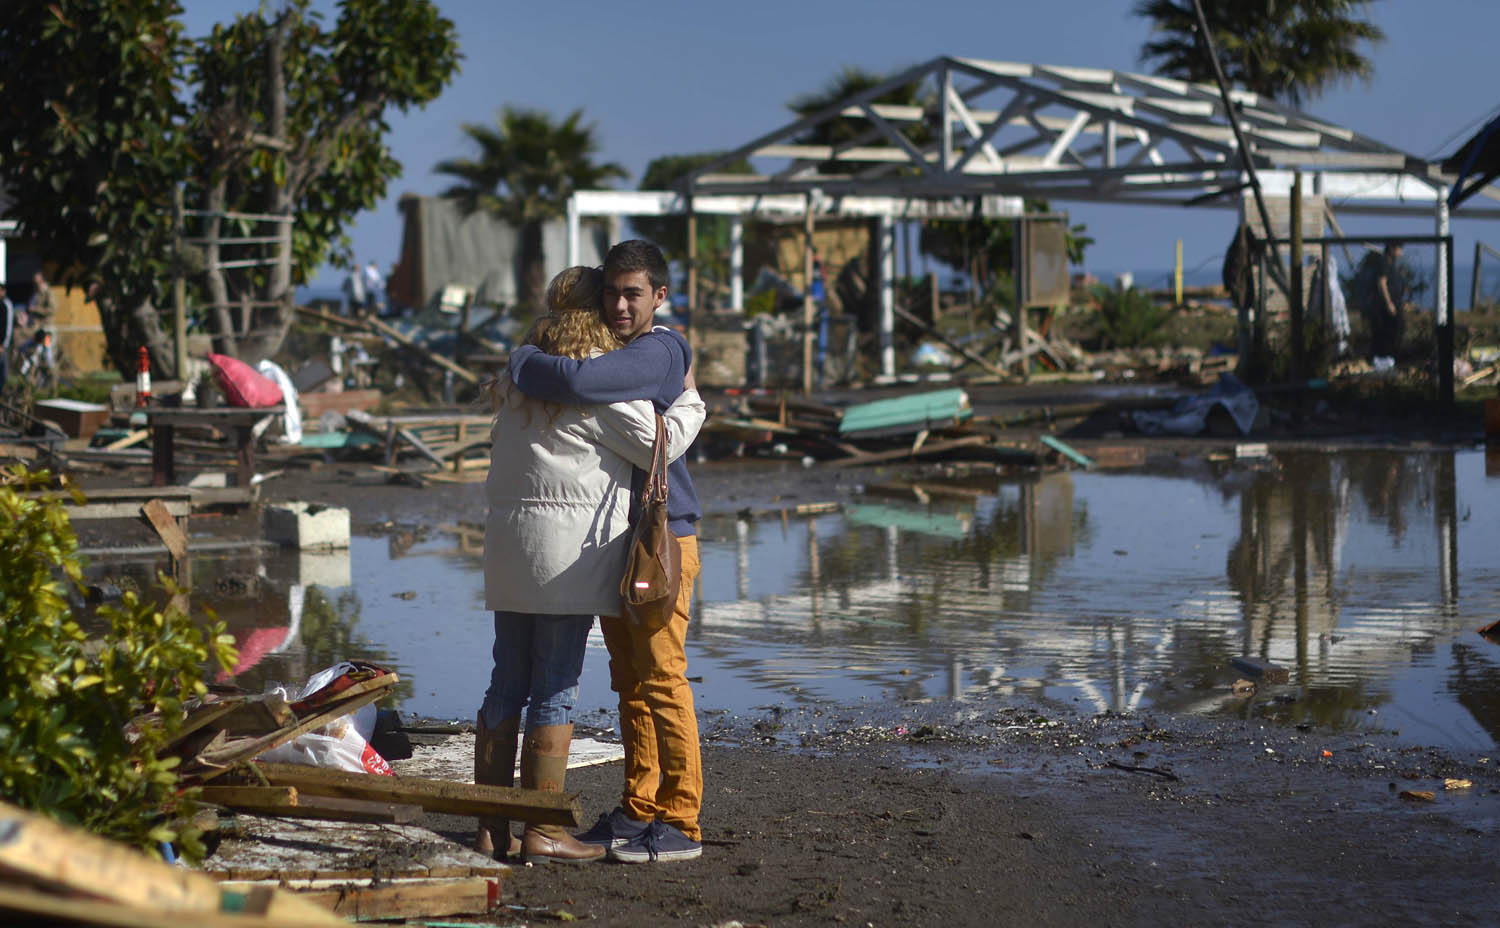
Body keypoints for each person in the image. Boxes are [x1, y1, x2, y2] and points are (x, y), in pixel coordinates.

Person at [479, 264, 704, 865]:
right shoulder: (603, 395)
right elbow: (662, 445)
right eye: (613, 298)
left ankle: (490, 826)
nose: (621, 308)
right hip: (565, 564)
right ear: (598, 313)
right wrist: (690, 400)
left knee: (505, 682)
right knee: (554, 688)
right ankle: (543, 830)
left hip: (508, 557)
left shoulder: (519, 379)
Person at [1361, 243, 1405, 362]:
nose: (1401, 253)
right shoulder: (1384, 263)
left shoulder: (1391, 264)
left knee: (1395, 332)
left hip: (1393, 304)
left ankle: (1389, 358)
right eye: (1399, 249)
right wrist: (1389, 303)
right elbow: (1382, 282)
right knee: (1387, 334)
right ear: (1392, 249)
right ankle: (1383, 358)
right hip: (1385, 308)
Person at [0, 283, 14, 389]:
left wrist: (3, 344)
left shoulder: (6, 304)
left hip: (3, 344)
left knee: (3, 372)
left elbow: (7, 326)